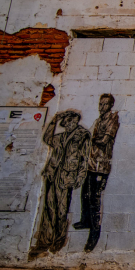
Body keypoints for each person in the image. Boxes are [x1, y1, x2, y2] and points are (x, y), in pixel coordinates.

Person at [29, 110, 90, 260]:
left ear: (75, 120)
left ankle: (58, 241)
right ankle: (45, 240)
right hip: (52, 174)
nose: (68, 124)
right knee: (49, 208)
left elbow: (85, 157)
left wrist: (81, 176)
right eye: (66, 122)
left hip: (67, 175)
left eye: (71, 121)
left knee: (62, 210)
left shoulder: (82, 135)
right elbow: (47, 138)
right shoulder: (61, 136)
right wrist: (53, 121)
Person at [74, 93, 120, 252]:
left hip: (101, 165)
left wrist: (88, 139)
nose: (101, 107)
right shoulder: (98, 120)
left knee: (95, 200)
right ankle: (85, 221)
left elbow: (104, 141)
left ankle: (94, 233)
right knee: (85, 194)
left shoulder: (112, 120)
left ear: (110, 105)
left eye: (105, 104)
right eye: (100, 104)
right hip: (91, 163)